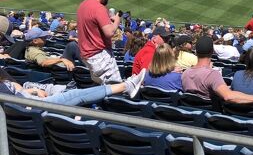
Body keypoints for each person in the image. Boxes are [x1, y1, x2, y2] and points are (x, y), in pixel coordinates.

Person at [181, 36, 253, 109]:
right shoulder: (212, 75)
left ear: (196, 52)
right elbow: (228, 96)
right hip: (210, 119)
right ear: (212, 52)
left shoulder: (185, 73)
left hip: (192, 116)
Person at [0, 66, 145, 103]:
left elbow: (15, 87)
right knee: (76, 95)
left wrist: (30, 91)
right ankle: (126, 86)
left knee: (52, 87)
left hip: (25, 96)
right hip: (31, 107)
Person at [77, 0, 123, 84]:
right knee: (115, 88)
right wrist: (116, 21)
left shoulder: (82, 5)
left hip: (87, 55)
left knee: (102, 89)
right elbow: (109, 32)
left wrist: (107, 21)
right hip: (99, 55)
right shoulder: (99, 8)